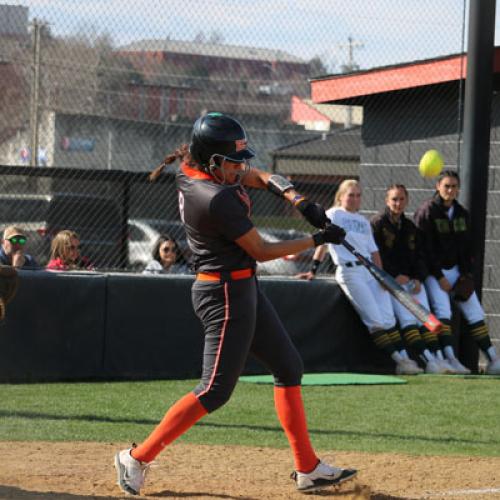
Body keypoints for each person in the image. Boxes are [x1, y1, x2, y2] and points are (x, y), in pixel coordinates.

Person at [114, 112, 357, 496]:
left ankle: (308, 468)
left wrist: (298, 199)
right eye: (231, 162)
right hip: (224, 294)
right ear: (212, 161)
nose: (239, 167)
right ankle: (136, 458)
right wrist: (317, 239)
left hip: (242, 288)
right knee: (214, 390)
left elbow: (257, 175)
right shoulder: (212, 198)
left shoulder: (204, 171)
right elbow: (261, 250)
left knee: (288, 365)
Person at [298, 179, 423, 375]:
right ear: (341, 196)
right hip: (350, 271)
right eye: (351, 195)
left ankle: (406, 359)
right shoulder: (333, 214)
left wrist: (381, 276)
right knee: (375, 320)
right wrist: (313, 269)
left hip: (370, 272)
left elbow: (374, 252)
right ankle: (401, 362)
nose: (355, 199)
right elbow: (322, 243)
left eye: (358, 195)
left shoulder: (363, 221)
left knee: (388, 319)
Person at [414, 170, 500, 375]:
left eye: (454, 186)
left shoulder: (461, 213)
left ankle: (493, 359)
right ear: (438, 187)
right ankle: (450, 359)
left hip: (456, 271)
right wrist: (439, 276)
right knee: (443, 311)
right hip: (434, 273)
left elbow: (468, 248)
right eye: (446, 186)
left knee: (475, 311)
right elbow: (423, 248)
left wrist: (465, 274)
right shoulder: (427, 211)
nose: (450, 190)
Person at [370, 185, 455, 374]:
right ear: (386, 201)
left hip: (411, 280)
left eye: (401, 199)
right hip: (390, 282)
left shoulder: (409, 227)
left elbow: (417, 256)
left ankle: (442, 359)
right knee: (408, 318)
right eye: (394, 199)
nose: (398, 203)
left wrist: (417, 278)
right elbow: (377, 255)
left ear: (407, 201)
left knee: (425, 317)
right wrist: (393, 276)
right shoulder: (377, 223)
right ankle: (430, 361)